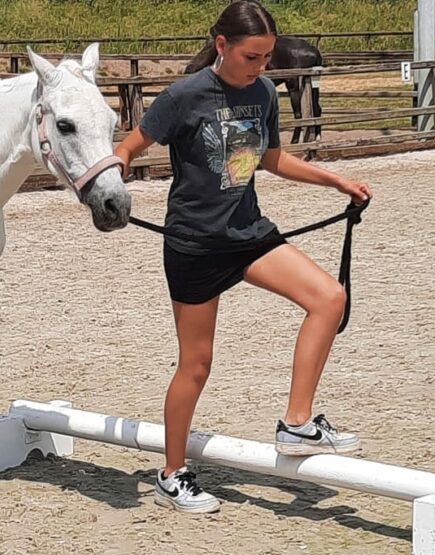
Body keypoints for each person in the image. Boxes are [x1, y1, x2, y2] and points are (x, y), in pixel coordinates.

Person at [113, 0, 372, 514]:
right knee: (197, 364)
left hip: (249, 234)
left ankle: (297, 424)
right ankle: (172, 473)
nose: (262, 68)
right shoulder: (185, 95)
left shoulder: (261, 92)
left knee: (328, 298)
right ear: (223, 45)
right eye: (253, 57)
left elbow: (270, 158)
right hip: (195, 245)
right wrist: (112, 173)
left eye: (268, 57)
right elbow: (132, 144)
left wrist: (335, 179)